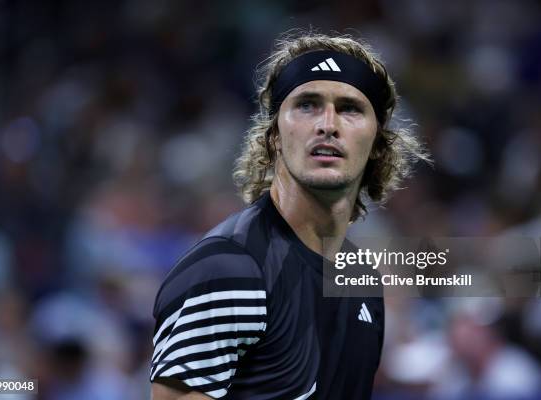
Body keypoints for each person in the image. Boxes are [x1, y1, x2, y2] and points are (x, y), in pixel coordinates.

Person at [150, 31, 429, 399]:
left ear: (378, 143)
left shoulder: (361, 280)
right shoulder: (228, 268)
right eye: (307, 105)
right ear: (274, 135)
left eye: (349, 108)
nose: (327, 124)